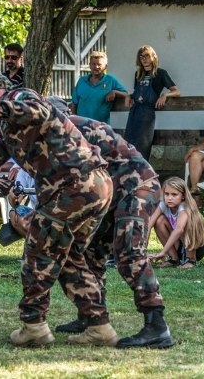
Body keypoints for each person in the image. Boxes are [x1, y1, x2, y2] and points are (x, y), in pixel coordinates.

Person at [0, 73, 115, 347]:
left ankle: (34, 327)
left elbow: (42, 110)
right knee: (68, 258)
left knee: (37, 255)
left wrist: (0, 108)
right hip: (91, 186)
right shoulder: (8, 125)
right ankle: (99, 327)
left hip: (73, 186)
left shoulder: (19, 97)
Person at [55, 101, 174, 349]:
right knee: (90, 253)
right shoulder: (59, 134)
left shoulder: (78, 129)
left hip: (137, 186)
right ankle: (91, 317)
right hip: (110, 194)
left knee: (129, 251)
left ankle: (157, 327)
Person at [123, 45, 180, 160]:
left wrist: (165, 95)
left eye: (146, 56)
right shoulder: (138, 74)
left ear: (153, 57)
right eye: (141, 56)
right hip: (134, 113)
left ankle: (143, 173)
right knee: (129, 143)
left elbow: (177, 91)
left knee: (142, 145)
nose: (144, 59)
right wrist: (128, 96)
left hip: (147, 114)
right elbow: (137, 93)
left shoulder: (161, 73)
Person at [147, 177, 204, 269]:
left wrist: (163, 252)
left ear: (183, 196)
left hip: (196, 247)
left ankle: (191, 260)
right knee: (159, 220)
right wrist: (141, 252)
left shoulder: (185, 206)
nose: (169, 198)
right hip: (179, 244)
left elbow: (179, 229)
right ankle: (174, 258)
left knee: (190, 223)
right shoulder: (164, 204)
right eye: (166, 194)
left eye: (174, 195)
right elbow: (149, 224)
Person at [70, 51, 129, 124]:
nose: (96, 67)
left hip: (101, 127)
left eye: (99, 64)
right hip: (81, 126)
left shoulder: (111, 80)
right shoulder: (82, 81)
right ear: (90, 65)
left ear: (106, 66)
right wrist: (73, 123)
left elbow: (126, 94)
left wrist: (114, 92)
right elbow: (74, 104)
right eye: (94, 64)